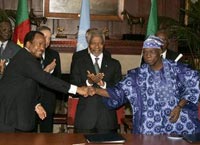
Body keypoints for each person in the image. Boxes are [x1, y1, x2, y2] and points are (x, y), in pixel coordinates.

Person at [89, 35, 200, 135]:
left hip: (177, 123)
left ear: (160, 51)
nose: (147, 55)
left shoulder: (176, 69)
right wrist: (95, 90)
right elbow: (118, 92)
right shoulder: (137, 75)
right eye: (145, 52)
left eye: (151, 51)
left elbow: (194, 85)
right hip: (150, 127)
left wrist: (179, 106)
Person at [0, 31, 88, 132]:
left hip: (16, 115)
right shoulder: (25, 59)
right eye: (39, 44)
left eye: (44, 44)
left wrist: (36, 104)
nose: (42, 48)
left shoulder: (28, 58)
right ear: (28, 44)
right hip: (9, 116)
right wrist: (77, 89)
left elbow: (29, 85)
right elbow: (46, 79)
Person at [70, 29, 122, 133]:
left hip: (107, 119)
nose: (97, 46)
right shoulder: (79, 62)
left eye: (100, 43)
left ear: (104, 44)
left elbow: (119, 90)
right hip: (85, 118)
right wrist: (89, 82)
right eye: (93, 43)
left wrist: (103, 84)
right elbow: (73, 86)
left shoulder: (114, 64)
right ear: (89, 44)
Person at [34, 26, 62, 132]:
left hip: (48, 100)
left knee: (46, 135)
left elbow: (58, 78)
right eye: (44, 37)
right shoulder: (29, 54)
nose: (47, 41)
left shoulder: (54, 55)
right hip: (31, 100)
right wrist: (47, 70)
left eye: (49, 38)